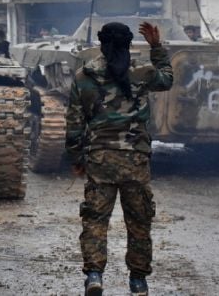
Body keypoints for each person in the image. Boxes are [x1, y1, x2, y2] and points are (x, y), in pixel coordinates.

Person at [66, 22, 173, 296]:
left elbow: (75, 122)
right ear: (128, 44)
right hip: (135, 160)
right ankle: (138, 281)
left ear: (101, 43)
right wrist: (156, 47)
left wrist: (76, 157)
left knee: (95, 220)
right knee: (139, 221)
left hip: (100, 159)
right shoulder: (141, 72)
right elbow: (166, 79)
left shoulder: (84, 76)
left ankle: (94, 276)